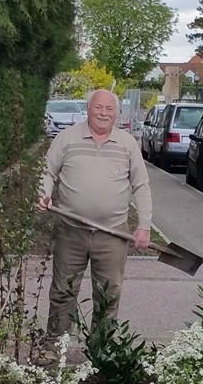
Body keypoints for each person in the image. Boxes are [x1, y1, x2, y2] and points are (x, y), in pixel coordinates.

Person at [36, 89, 152, 365]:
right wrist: (44, 193)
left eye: (109, 109)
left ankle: (101, 351)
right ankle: (55, 345)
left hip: (112, 234)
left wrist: (144, 225)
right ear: (88, 109)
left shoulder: (126, 144)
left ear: (117, 113)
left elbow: (141, 185)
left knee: (108, 293)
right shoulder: (67, 138)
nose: (103, 113)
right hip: (70, 231)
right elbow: (48, 171)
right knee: (63, 290)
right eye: (98, 107)